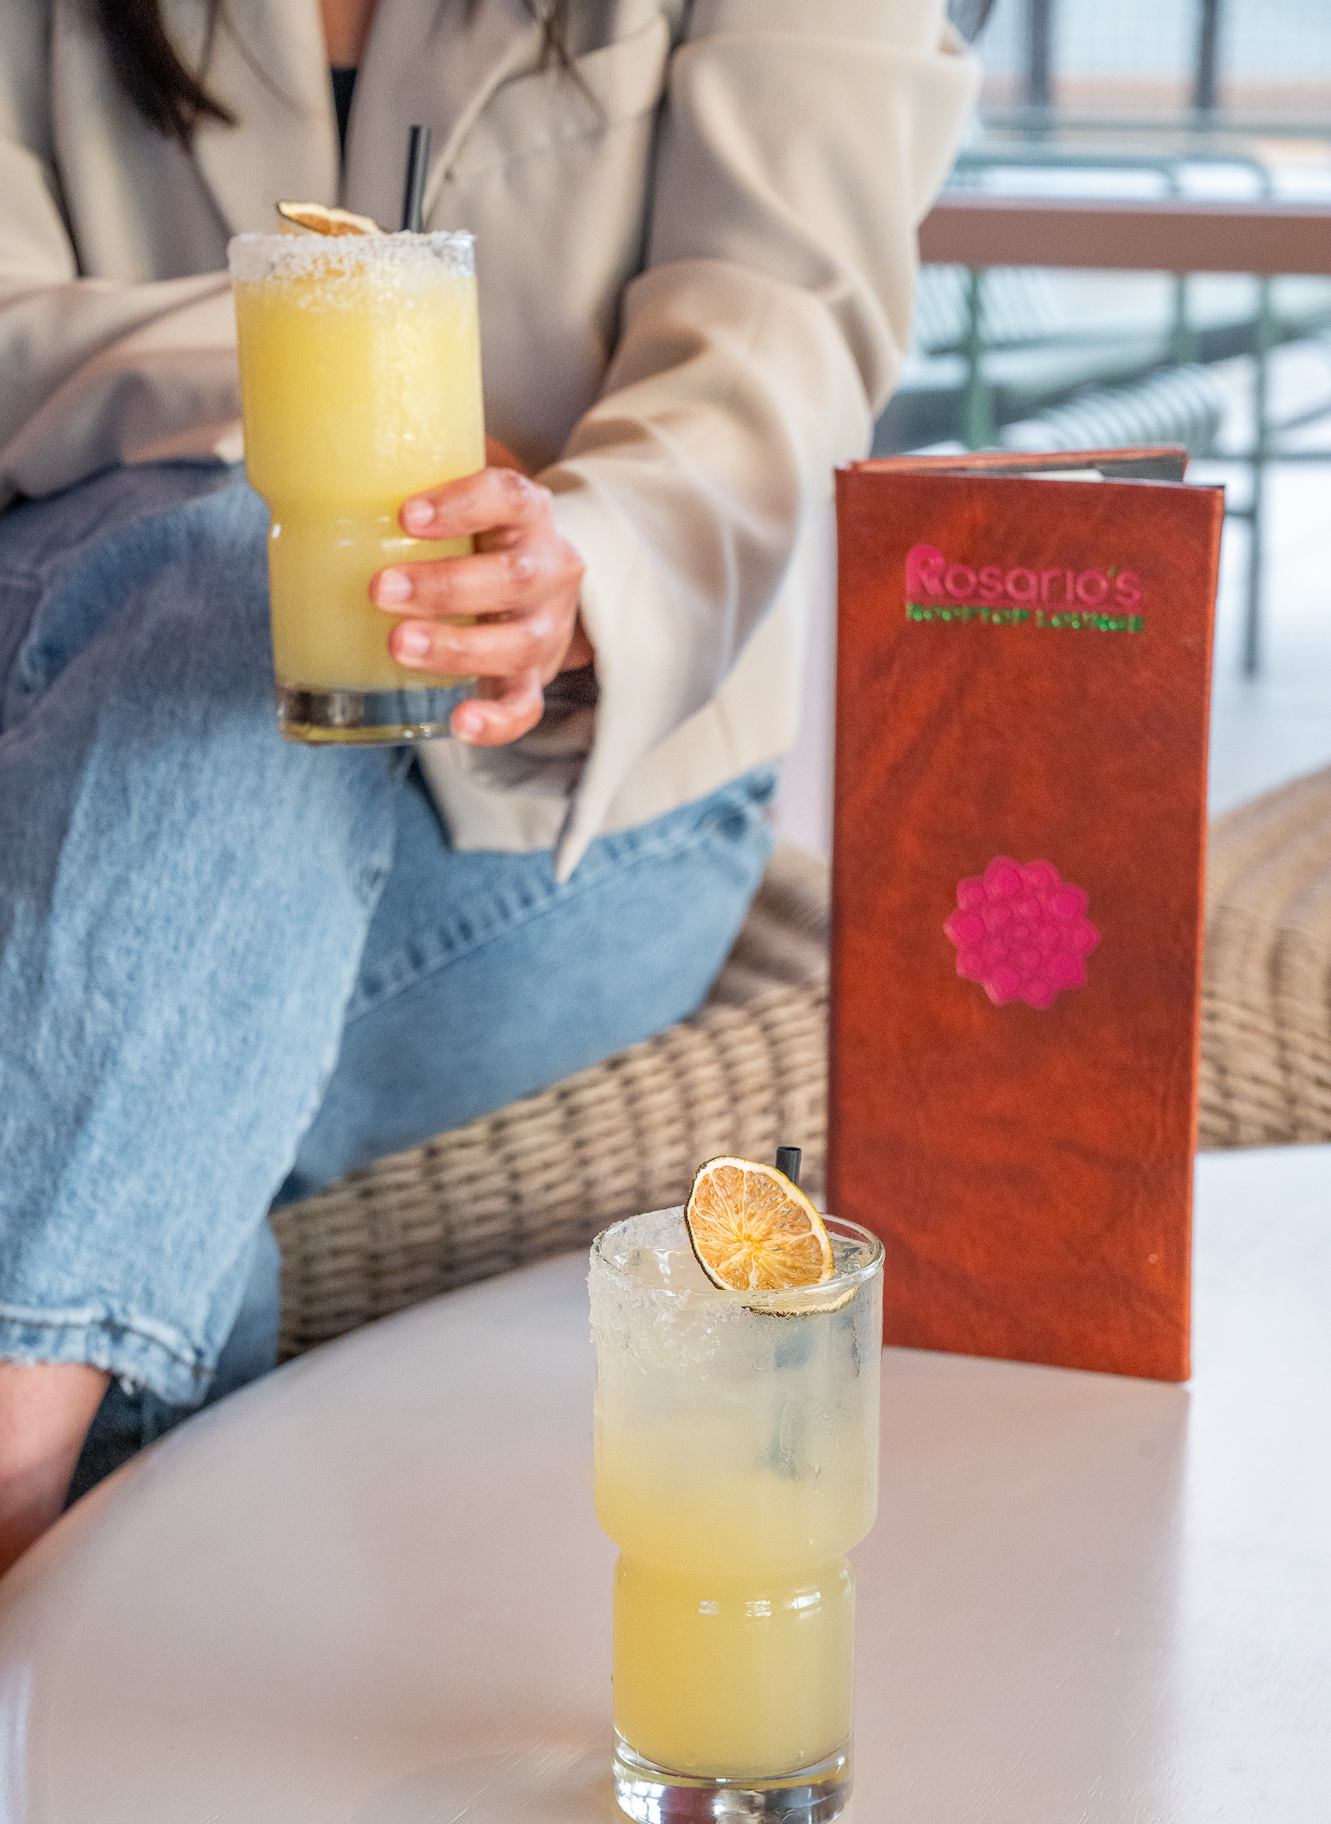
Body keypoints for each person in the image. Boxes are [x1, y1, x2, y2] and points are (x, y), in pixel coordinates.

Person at [0, 0, 978, 1570]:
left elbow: (781, 326)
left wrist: (584, 566)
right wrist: (347, 382)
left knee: (131, 1056)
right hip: (91, 716)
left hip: (550, 805)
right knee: (222, 588)